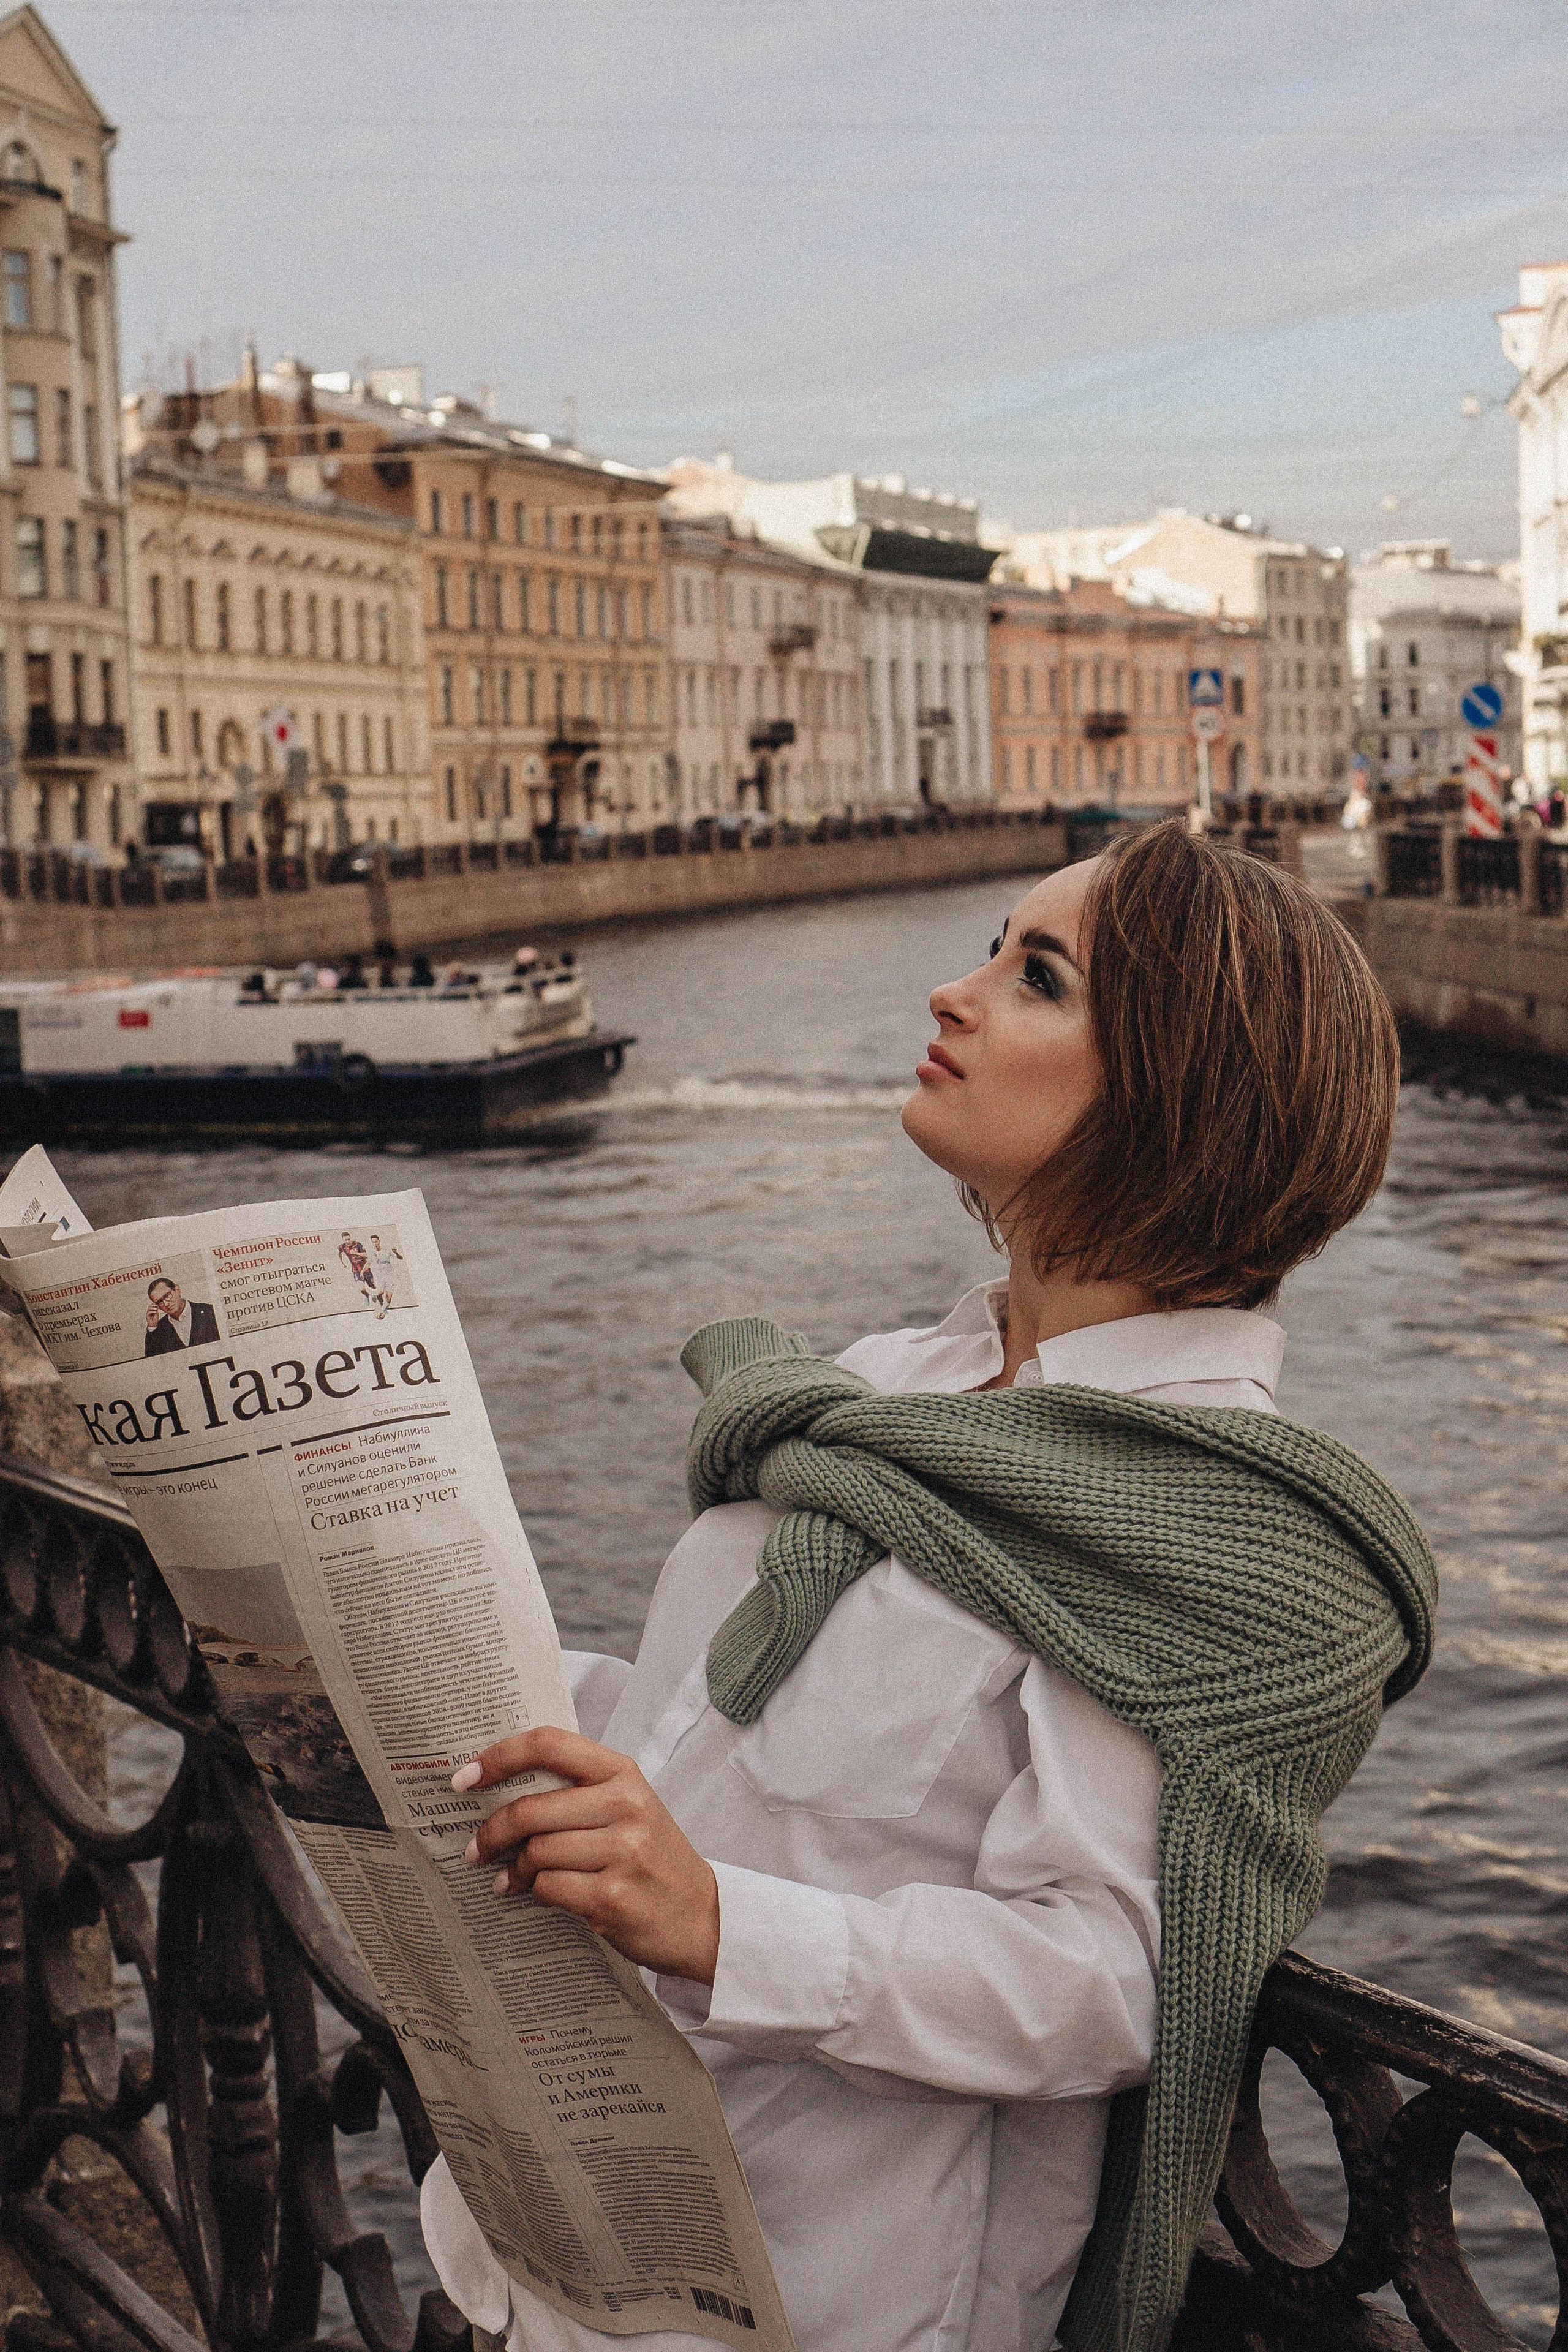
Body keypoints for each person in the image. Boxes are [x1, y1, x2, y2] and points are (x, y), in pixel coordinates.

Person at [423, 824, 1437, 2352]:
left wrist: (717, 1923)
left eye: (1034, 977)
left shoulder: (1209, 1516)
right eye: (988, 947)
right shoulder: (884, 1388)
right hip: (560, 2229)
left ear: (1180, 1086)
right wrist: (447, 1675)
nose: (951, 994)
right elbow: (720, 1741)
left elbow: (1116, 1977)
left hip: (824, 2291)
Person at [144, 1276, 219, 1355]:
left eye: (167, 1296)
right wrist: (152, 1327)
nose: (166, 1304)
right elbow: (152, 1362)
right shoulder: (158, 1330)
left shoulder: (210, 1311)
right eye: (159, 1302)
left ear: (177, 1290)